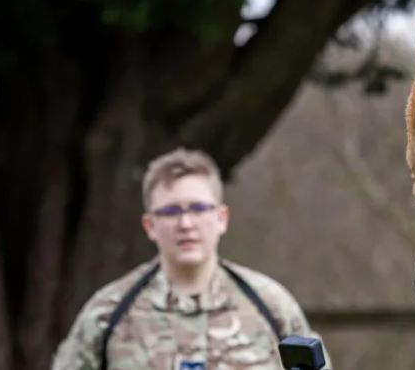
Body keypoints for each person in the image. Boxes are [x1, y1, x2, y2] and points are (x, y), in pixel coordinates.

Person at [52, 148, 330, 370]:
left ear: (221, 218)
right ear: (150, 225)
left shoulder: (272, 307)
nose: (185, 223)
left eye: (198, 209)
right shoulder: (107, 315)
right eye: (171, 211)